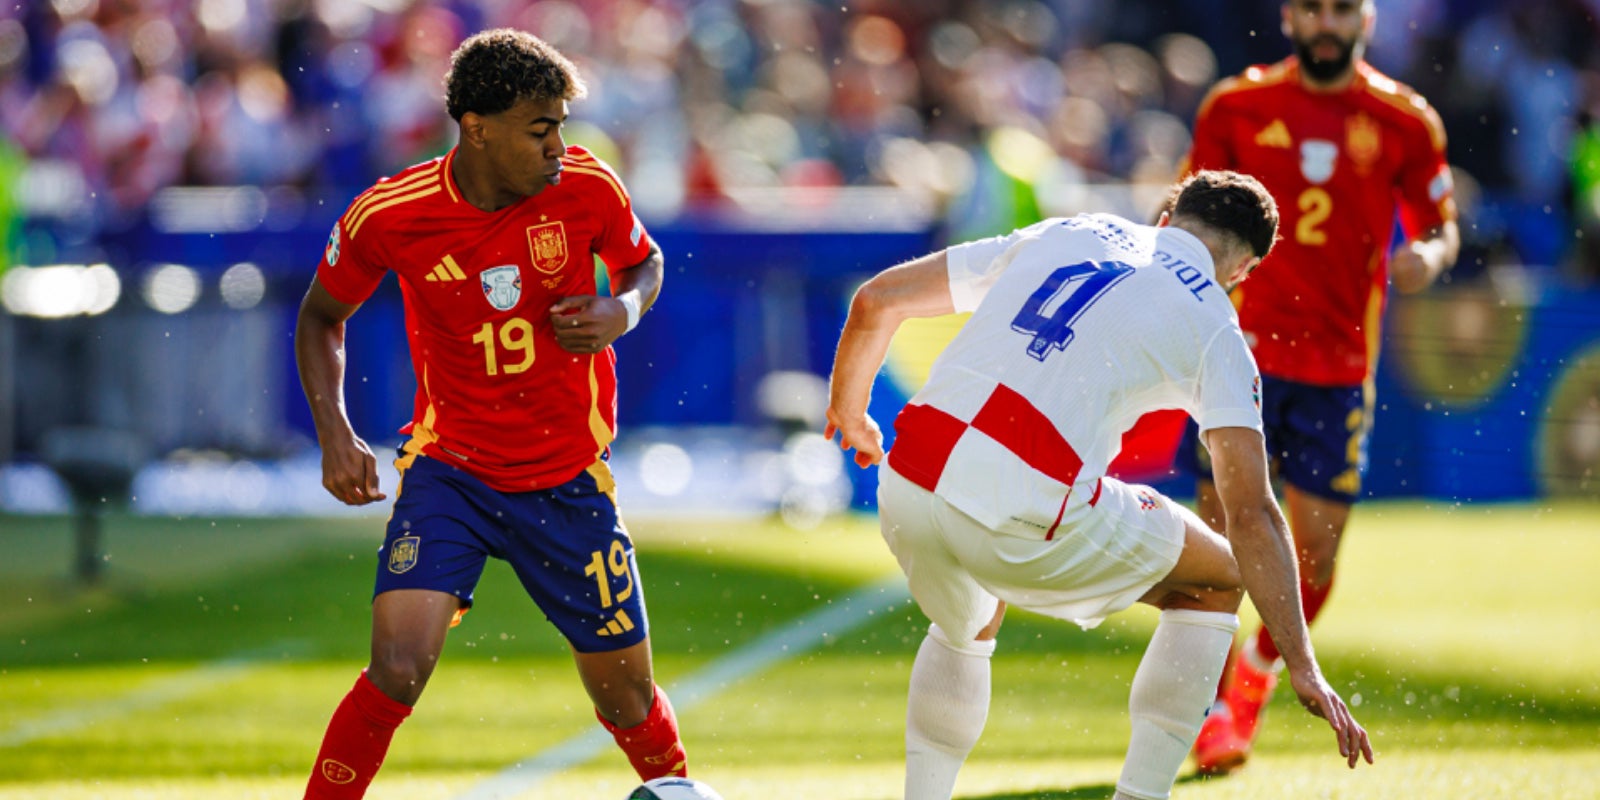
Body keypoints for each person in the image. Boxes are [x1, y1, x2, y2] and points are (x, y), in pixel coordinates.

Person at [824, 170, 1373, 800]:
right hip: (1018, 503)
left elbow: (876, 300)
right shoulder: (1218, 324)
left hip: (908, 478)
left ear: (1168, 218)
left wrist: (849, 410)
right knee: (1217, 579)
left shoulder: (1072, 228)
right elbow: (1251, 513)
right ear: (1244, 270)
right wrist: (1301, 664)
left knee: (968, 618)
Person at [295, 29, 685, 799]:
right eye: (542, 128)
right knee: (397, 670)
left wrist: (624, 309)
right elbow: (319, 316)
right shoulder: (392, 212)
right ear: (476, 127)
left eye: (563, 127)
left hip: (569, 479)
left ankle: (680, 790)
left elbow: (646, 262)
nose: (558, 146)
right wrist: (335, 433)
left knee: (626, 699)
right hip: (453, 475)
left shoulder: (588, 188)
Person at [1175, 0, 1459, 774]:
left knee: (1316, 561)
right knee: (1213, 545)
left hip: (1338, 369)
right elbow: (1181, 217)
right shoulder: (1236, 106)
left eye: (1342, 9)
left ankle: (1255, 676)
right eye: (1312, 9)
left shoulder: (1404, 120)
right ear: (1289, 17)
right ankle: (1202, 704)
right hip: (1236, 357)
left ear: (1364, 17)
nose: (1327, 23)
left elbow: (1440, 223)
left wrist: (1428, 259)